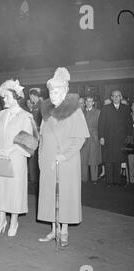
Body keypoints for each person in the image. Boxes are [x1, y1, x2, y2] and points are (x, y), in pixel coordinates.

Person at [37, 67, 89, 247]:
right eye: (51, 91)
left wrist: (65, 156)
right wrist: (41, 159)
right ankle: (53, 230)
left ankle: (64, 231)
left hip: (66, 161)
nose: (52, 95)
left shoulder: (74, 110)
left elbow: (80, 138)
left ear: (65, 91)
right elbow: (42, 137)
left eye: (56, 91)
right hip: (48, 160)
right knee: (50, 195)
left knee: (64, 195)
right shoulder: (46, 111)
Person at [0, 79, 34, 237]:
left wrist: (10, 150)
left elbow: (30, 140)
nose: (3, 99)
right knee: (0, 189)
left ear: (16, 97)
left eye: (6, 96)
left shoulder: (26, 116)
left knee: (14, 190)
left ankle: (13, 221)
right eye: (3, 97)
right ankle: (1, 221)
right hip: (0, 156)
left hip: (16, 158)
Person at [98, 90, 133, 186]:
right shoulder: (105, 108)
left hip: (121, 139)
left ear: (121, 97)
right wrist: (101, 137)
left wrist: (129, 138)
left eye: (118, 96)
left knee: (118, 160)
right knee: (109, 160)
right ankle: (109, 181)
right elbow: (101, 124)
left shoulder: (126, 108)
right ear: (111, 98)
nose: (116, 97)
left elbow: (129, 124)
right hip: (108, 138)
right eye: (114, 96)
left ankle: (117, 181)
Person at [80, 96, 101, 183]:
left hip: (93, 138)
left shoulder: (98, 112)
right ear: (85, 103)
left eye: (91, 101)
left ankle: (94, 178)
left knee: (93, 160)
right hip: (83, 138)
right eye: (87, 101)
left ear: (93, 103)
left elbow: (101, 126)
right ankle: (84, 178)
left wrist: (99, 137)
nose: (89, 103)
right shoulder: (81, 112)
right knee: (83, 159)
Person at [27, 88, 42, 185]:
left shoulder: (41, 105)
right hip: (33, 134)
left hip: (38, 135)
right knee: (32, 156)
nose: (30, 99)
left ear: (33, 96)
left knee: (36, 156)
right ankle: (33, 177)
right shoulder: (35, 105)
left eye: (30, 97)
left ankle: (35, 177)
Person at [128, 102, 134, 184]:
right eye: (133, 106)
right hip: (130, 142)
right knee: (130, 162)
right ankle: (131, 180)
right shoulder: (128, 116)